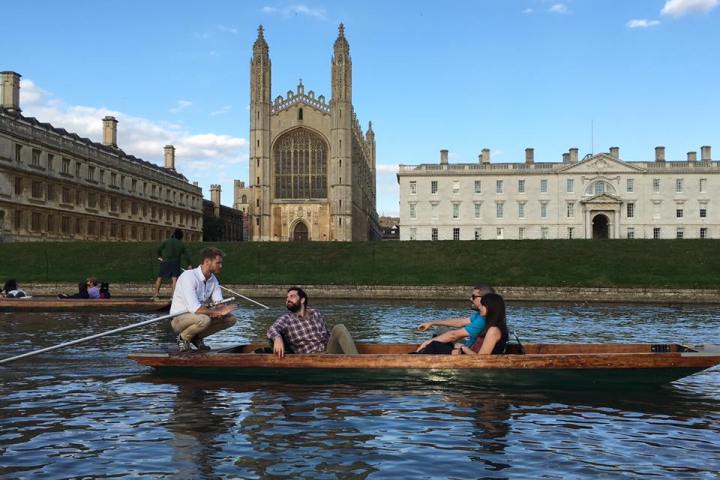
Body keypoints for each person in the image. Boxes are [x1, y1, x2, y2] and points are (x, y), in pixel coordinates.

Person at [170, 247, 238, 352]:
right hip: (179, 319)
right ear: (207, 262)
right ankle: (183, 338)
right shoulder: (188, 276)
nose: (221, 266)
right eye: (218, 263)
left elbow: (218, 303)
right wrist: (216, 312)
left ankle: (196, 337)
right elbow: (195, 308)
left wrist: (224, 310)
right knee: (204, 319)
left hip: (198, 316)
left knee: (230, 319)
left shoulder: (213, 279)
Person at [267, 287, 358, 357]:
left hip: (329, 352)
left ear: (302, 300)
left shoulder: (316, 313)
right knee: (339, 328)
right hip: (311, 357)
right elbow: (272, 329)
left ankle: (357, 361)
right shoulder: (286, 319)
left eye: (292, 296)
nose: (288, 299)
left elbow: (326, 334)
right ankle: (358, 364)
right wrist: (277, 339)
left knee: (339, 328)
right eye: (287, 297)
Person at [415, 284, 495, 354]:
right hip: (466, 346)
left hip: (468, 351)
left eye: (474, 297)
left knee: (434, 344)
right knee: (441, 330)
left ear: (484, 299)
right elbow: (460, 322)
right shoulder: (480, 314)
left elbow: (454, 335)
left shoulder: (483, 319)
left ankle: (425, 355)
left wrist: (428, 342)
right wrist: (432, 322)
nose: (470, 299)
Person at [153, 228, 192, 300]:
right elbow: (186, 255)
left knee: (160, 278)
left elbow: (158, 249)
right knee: (174, 279)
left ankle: (156, 295)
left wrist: (159, 256)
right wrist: (189, 264)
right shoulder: (181, 244)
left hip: (165, 261)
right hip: (175, 262)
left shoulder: (166, 241)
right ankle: (173, 297)